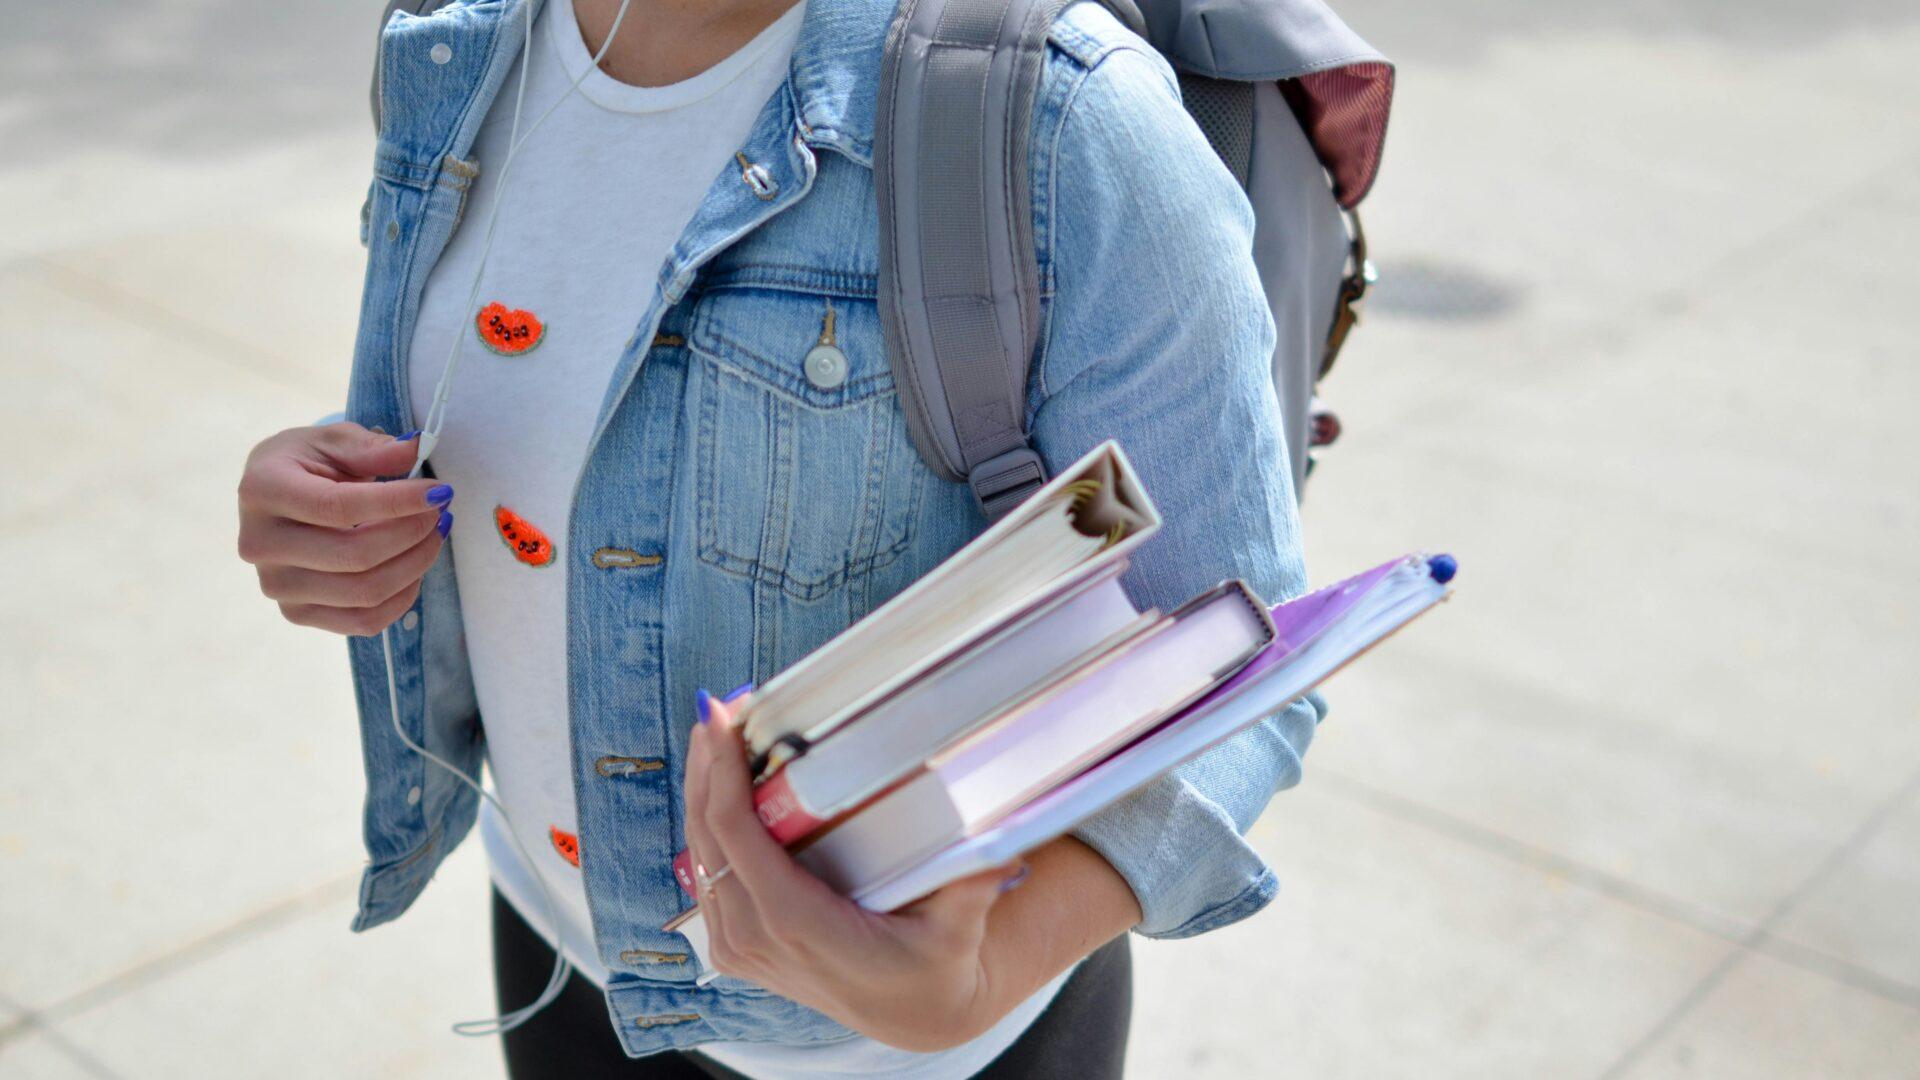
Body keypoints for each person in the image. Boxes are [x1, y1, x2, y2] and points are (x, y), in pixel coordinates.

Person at [234, 0, 1326, 1075]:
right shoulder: (453, 42)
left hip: (909, 1058)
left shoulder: (1064, 119)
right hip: (553, 945)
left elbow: (1235, 651)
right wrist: (328, 512)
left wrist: (985, 971)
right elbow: (489, 423)